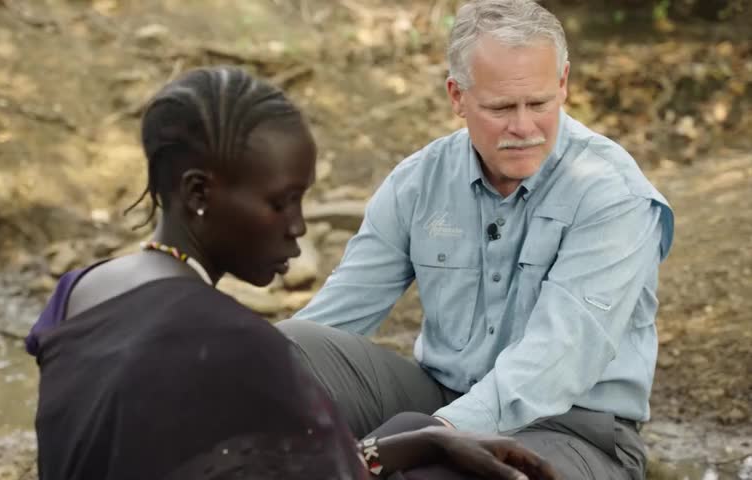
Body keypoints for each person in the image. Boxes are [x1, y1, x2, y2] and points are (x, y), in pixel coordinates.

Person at [24, 66, 559, 480]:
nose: (299, 227)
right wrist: (432, 452)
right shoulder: (235, 343)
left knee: (413, 432)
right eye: (280, 203)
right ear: (198, 194)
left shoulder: (80, 291)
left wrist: (430, 437)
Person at [278, 1, 675, 479]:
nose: (524, 127)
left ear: (564, 83)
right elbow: (337, 315)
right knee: (283, 352)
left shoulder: (612, 195)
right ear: (457, 96)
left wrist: (429, 438)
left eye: (540, 103)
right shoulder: (418, 182)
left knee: (438, 474)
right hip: (441, 393)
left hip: (574, 431)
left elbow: (554, 362)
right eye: (501, 107)